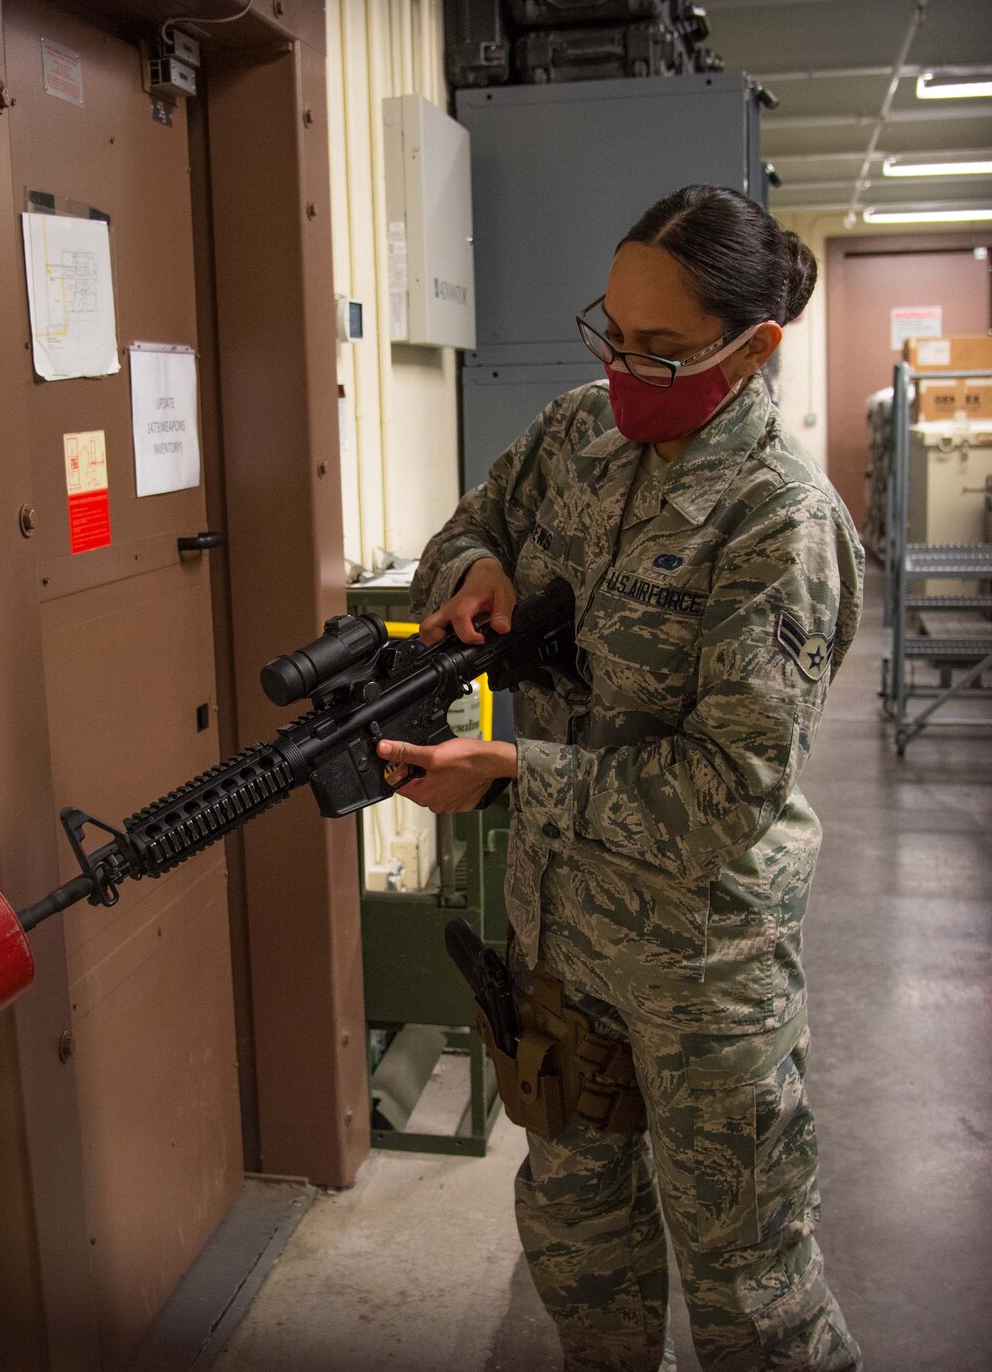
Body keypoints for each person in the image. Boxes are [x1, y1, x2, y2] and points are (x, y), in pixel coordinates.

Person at [376, 184, 866, 1372]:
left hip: (701, 962)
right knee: (580, 1248)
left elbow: (726, 789)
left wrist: (510, 774)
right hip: (561, 944)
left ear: (755, 349)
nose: (625, 374)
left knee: (750, 1288)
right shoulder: (570, 436)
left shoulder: (774, 517)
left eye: (662, 351)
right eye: (612, 336)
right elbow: (461, 528)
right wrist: (478, 564)